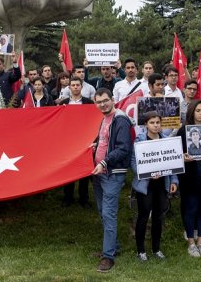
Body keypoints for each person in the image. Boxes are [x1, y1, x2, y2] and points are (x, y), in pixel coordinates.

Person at [91, 88, 132, 273]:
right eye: (99, 102)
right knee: (102, 211)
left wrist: (105, 162)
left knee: (108, 214)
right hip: (99, 173)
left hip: (112, 173)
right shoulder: (105, 118)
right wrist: (95, 145)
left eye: (105, 101)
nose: (102, 104)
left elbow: (123, 148)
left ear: (113, 99)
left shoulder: (120, 119)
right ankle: (113, 246)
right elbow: (106, 141)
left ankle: (108, 257)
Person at [131, 113, 179, 261]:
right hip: (145, 185)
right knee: (143, 216)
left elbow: (173, 162)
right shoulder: (140, 140)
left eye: (158, 122)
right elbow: (133, 162)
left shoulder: (167, 140)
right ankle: (141, 251)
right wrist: (147, 173)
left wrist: (174, 181)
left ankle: (156, 249)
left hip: (162, 185)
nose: (156, 125)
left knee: (159, 217)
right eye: (152, 122)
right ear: (146, 124)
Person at [176, 100, 201, 257]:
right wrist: (182, 157)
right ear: (192, 111)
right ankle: (191, 242)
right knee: (191, 208)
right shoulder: (183, 131)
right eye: (198, 110)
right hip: (190, 177)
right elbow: (175, 154)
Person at [60, 77, 94, 207]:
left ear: (81, 87)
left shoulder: (89, 103)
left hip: (84, 141)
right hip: (68, 142)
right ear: (69, 88)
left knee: (84, 172)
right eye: (73, 85)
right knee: (68, 171)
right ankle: (68, 198)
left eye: (77, 85)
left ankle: (84, 199)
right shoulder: (63, 104)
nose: (75, 87)